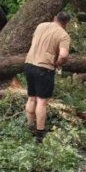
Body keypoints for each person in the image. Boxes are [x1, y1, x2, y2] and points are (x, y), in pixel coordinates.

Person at [24, 12, 71, 143]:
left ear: (54, 18)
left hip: (29, 64)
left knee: (31, 98)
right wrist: (58, 63)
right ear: (66, 23)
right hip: (44, 68)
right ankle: (40, 134)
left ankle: (29, 126)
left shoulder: (41, 26)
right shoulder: (63, 35)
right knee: (42, 101)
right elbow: (63, 55)